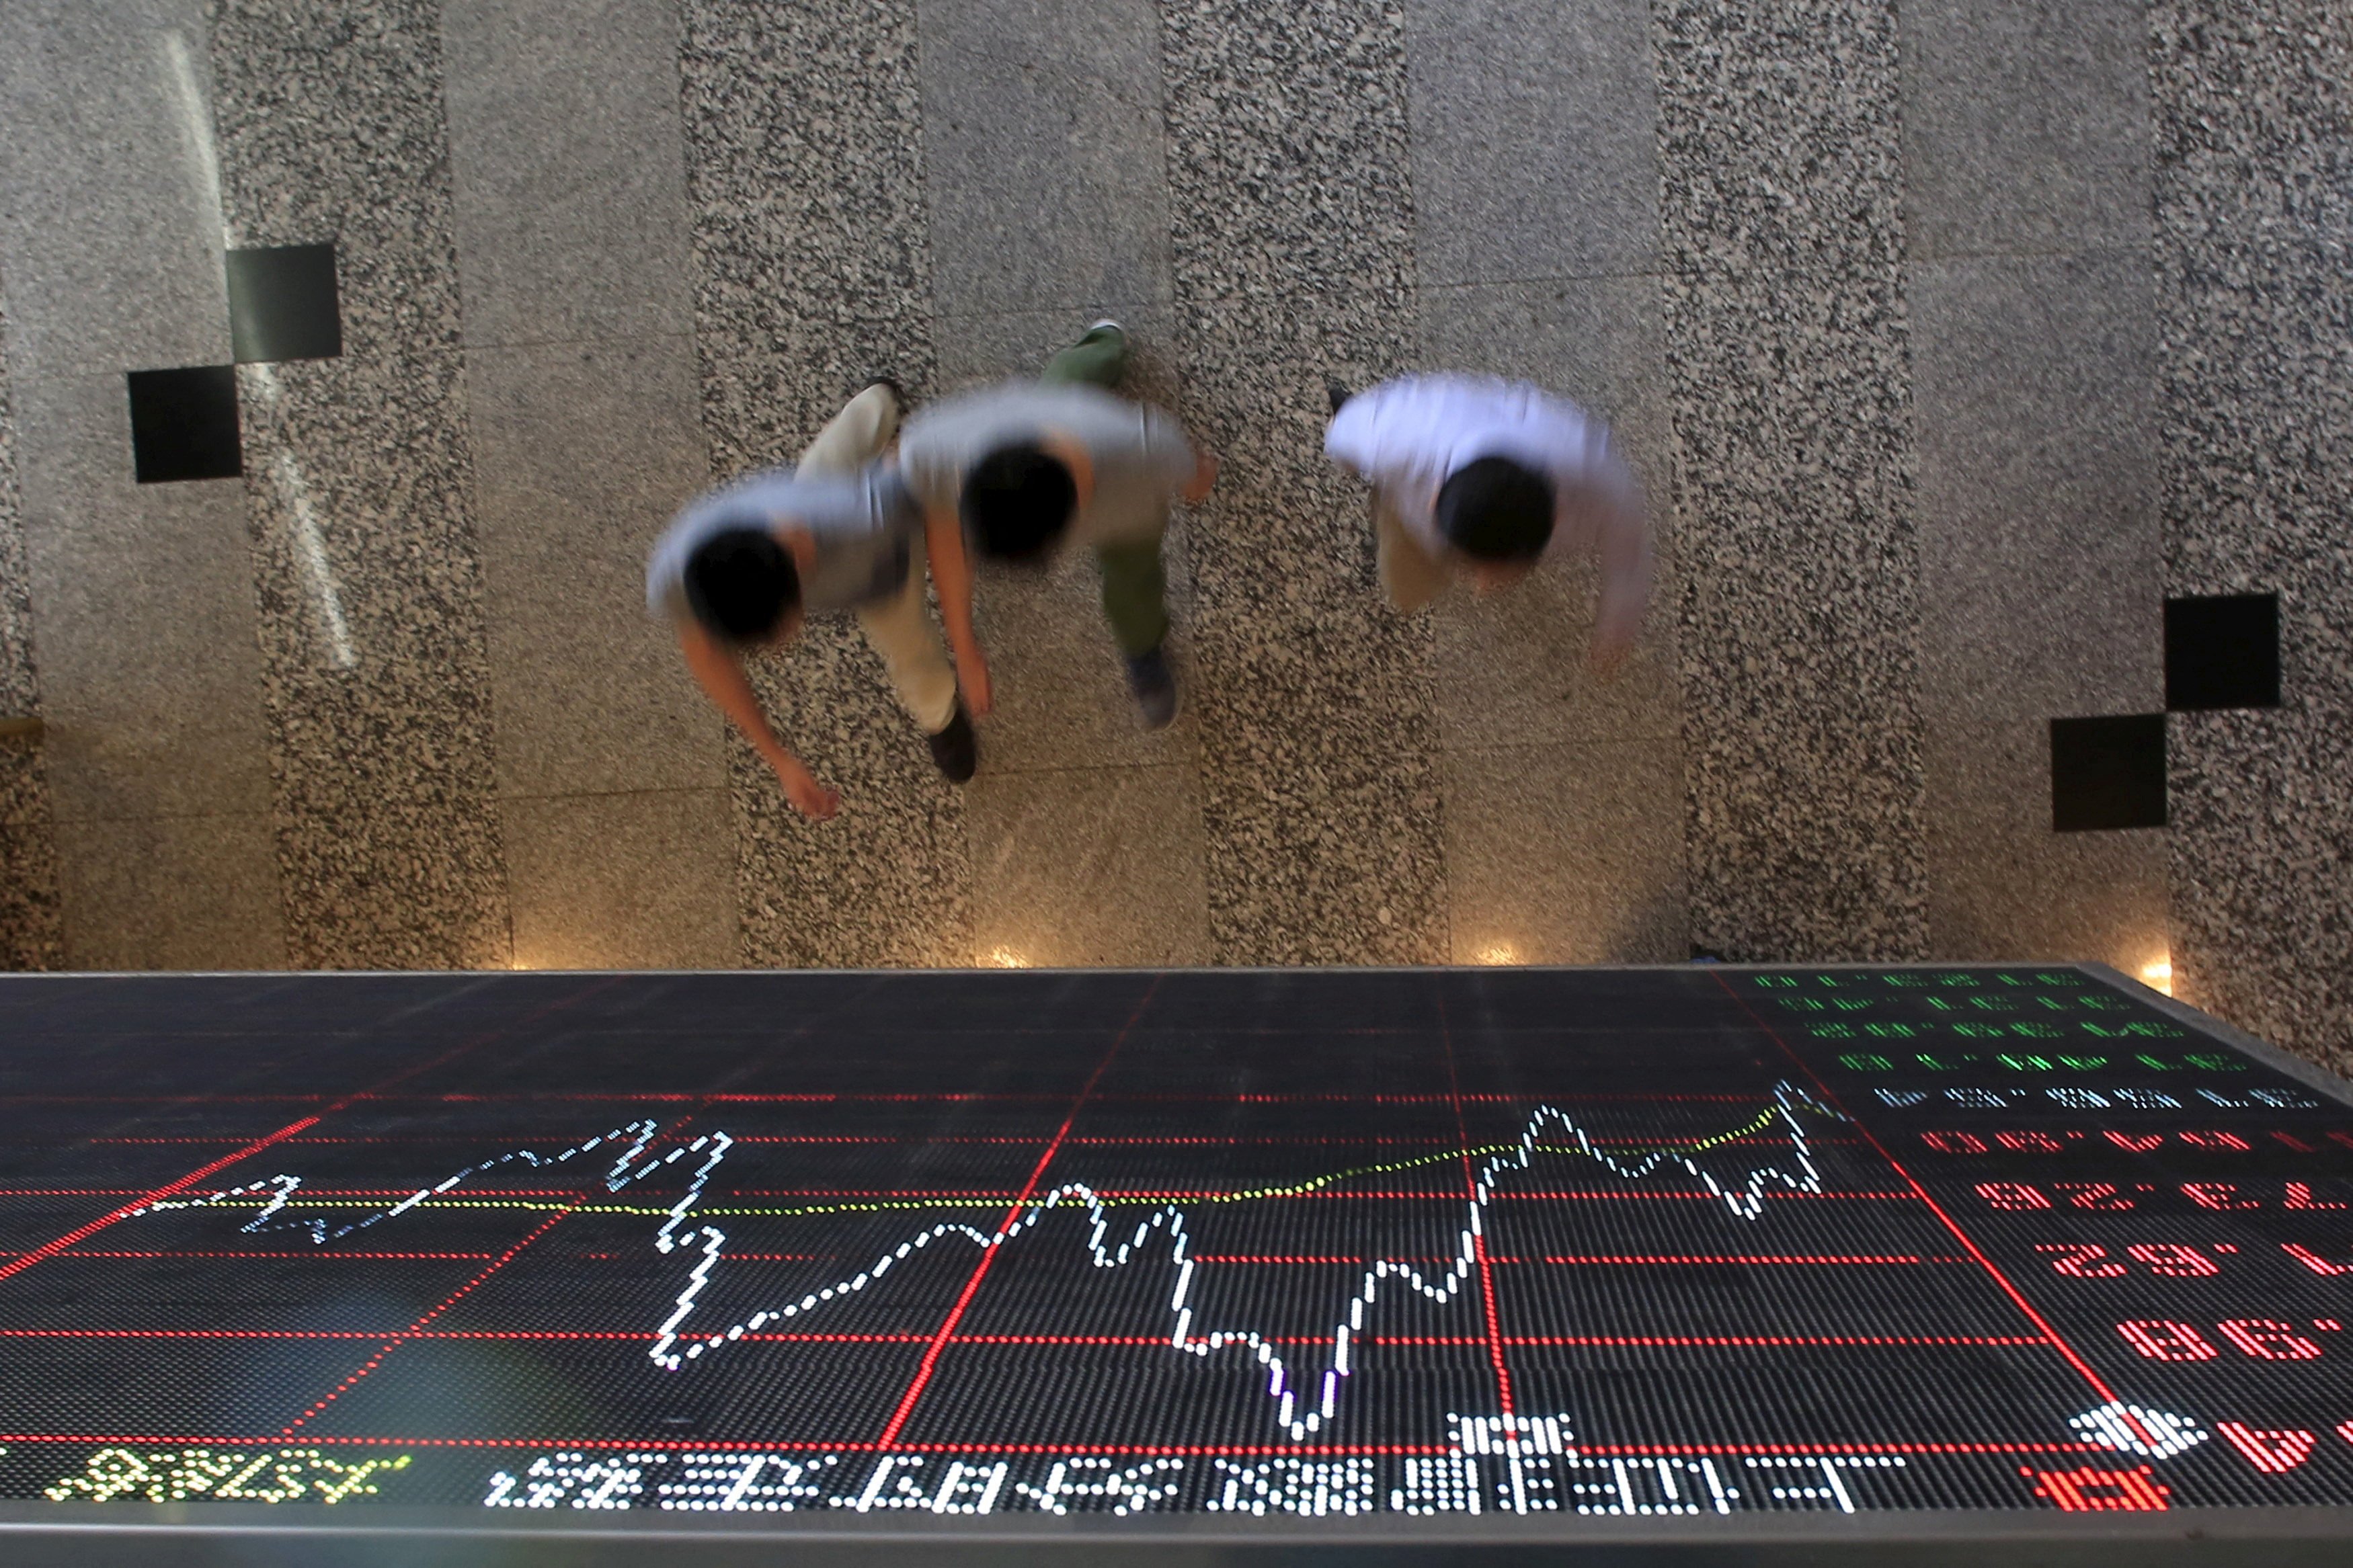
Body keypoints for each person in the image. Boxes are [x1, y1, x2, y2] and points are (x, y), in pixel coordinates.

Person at [647, 382, 989, 820]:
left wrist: (964, 647)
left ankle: (940, 712)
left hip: (881, 572)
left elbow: (940, 510)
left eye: (778, 633)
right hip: (812, 495)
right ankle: (879, 402)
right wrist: (779, 758)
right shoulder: (676, 569)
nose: (781, 647)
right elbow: (704, 650)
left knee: (916, 659)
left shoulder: (865, 521)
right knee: (835, 451)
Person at [896, 322, 1215, 729]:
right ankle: (1100, 347)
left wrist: (1198, 477)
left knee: (1135, 577)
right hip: (1056, 420)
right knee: (1062, 385)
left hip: (1127, 512)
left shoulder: (1144, 450)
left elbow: (1194, 475)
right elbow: (943, 532)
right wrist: (964, 647)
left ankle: (1107, 342)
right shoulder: (930, 451)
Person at [1324, 374, 1650, 673]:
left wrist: (1616, 632)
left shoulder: (1597, 473)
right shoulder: (1389, 438)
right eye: (1477, 566)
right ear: (1433, 499)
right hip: (1410, 476)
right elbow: (1341, 432)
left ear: (1557, 517)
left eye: (1497, 568)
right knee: (1407, 581)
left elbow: (1629, 557)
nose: (1480, 584)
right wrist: (1351, 464)